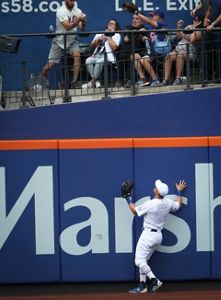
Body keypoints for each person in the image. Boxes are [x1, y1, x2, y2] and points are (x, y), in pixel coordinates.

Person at [123, 179, 187, 293]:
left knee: (138, 261)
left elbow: (134, 211)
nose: (154, 188)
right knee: (144, 260)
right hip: (158, 236)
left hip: (148, 235)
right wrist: (179, 192)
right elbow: (178, 205)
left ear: (157, 192)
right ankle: (142, 286)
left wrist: (127, 198)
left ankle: (154, 280)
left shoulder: (150, 204)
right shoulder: (167, 202)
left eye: (156, 187)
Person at [41, 0, 86, 88]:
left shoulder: (78, 11)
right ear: (66, 1)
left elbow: (82, 29)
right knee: (50, 65)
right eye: (70, 0)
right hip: (59, 41)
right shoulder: (60, 11)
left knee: (77, 56)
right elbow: (68, 27)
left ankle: (74, 82)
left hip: (72, 40)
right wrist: (78, 20)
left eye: (73, 1)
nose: (72, 2)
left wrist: (83, 21)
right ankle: (40, 80)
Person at [133, 10, 170, 86]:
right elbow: (144, 35)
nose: (150, 17)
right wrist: (142, 35)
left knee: (144, 59)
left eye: (152, 16)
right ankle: (143, 79)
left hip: (162, 54)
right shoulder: (150, 29)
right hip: (153, 55)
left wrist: (137, 13)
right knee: (135, 56)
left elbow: (149, 21)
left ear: (158, 17)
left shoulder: (162, 25)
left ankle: (155, 79)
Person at [162, 17, 202, 85]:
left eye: (196, 20)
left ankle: (178, 78)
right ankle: (166, 79)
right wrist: (179, 27)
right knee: (168, 56)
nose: (194, 21)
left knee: (180, 55)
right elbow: (178, 37)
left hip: (190, 53)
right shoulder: (189, 27)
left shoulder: (200, 30)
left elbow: (192, 39)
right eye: (194, 20)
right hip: (178, 50)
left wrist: (195, 28)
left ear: (200, 22)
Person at [82, 19, 121, 89]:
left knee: (99, 62)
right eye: (109, 23)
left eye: (112, 24)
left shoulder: (117, 35)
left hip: (107, 56)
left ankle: (92, 82)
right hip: (96, 55)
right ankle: (96, 81)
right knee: (88, 61)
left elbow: (114, 47)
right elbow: (92, 45)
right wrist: (98, 39)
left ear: (116, 27)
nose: (110, 24)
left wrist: (108, 38)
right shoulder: (100, 33)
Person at [116, 14, 146, 88]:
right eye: (133, 18)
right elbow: (126, 38)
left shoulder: (145, 29)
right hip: (126, 51)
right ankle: (120, 80)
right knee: (121, 55)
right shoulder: (128, 27)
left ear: (142, 21)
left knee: (131, 56)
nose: (134, 20)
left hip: (138, 52)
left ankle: (129, 80)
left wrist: (131, 35)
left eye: (137, 19)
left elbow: (129, 38)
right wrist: (138, 32)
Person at [203, 0, 221, 82]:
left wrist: (213, 25)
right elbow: (209, 9)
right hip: (209, 30)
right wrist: (206, 19)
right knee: (207, 53)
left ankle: (218, 78)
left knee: (219, 54)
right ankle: (206, 78)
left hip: (218, 30)